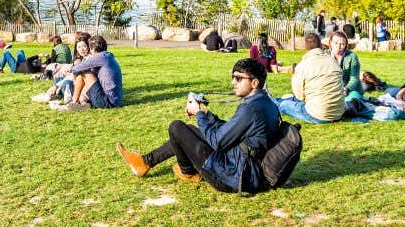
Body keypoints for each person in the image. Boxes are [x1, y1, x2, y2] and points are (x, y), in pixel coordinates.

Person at [115, 58, 281, 192]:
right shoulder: (265, 103)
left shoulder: (250, 108)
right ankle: (144, 162)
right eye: (233, 77)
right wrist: (207, 115)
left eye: (238, 78)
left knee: (177, 128)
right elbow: (233, 130)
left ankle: (188, 173)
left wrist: (199, 114)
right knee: (189, 130)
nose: (233, 82)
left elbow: (218, 141)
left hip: (230, 176)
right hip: (243, 166)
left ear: (254, 83)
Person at [275, 33, 345, 124]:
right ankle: (272, 99)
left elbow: (299, 95)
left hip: (318, 115)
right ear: (320, 45)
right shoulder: (332, 61)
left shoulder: (304, 64)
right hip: (339, 113)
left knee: (284, 104)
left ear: (305, 48)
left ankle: (266, 101)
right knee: (288, 99)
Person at [54, 35, 122, 111]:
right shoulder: (107, 56)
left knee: (83, 72)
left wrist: (76, 64)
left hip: (108, 102)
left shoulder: (99, 57)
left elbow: (76, 68)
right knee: (87, 74)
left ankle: (74, 102)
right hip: (115, 100)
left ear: (92, 48)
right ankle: (83, 103)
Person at [329, 31, 361, 96]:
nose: (338, 46)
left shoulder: (352, 56)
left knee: (353, 97)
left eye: (342, 44)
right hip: (330, 89)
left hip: (349, 90)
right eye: (336, 43)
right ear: (330, 43)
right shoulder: (324, 55)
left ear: (346, 45)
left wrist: (346, 89)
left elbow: (354, 78)